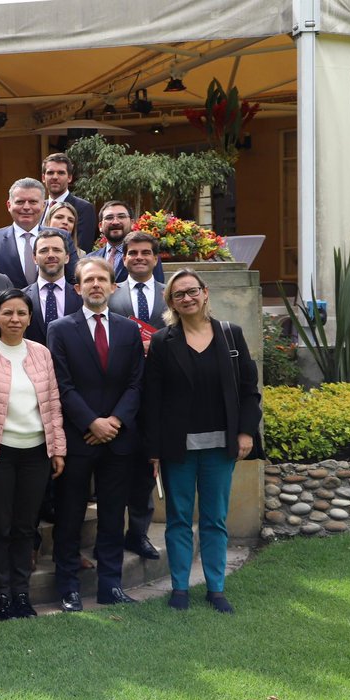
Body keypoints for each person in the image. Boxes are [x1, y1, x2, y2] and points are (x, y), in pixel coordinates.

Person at [144, 269, 262, 614]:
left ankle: (216, 588)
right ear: (172, 303)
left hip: (219, 447)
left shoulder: (230, 335)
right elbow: (152, 398)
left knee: (214, 518)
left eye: (192, 291)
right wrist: (152, 451)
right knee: (179, 518)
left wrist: (244, 432)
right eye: (179, 295)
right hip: (176, 447)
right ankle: (179, 588)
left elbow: (249, 391)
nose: (187, 298)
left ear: (205, 293)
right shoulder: (164, 342)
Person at [46, 258, 144, 612]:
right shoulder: (60, 328)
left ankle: (110, 585)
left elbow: (136, 383)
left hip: (118, 440)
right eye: (89, 280)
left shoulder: (129, 330)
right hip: (77, 438)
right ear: (78, 288)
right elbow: (61, 384)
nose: (96, 285)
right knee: (70, 515)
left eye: (103, 279)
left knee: (113, 514)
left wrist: (114, 422)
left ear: (113, 286)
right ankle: (69, 587)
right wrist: (92, 423)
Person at [0, 289, 67, 620]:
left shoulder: (41, 353)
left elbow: (53, 403)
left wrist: (57, 449)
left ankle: (21, 593)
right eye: (8, 313)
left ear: (30, 318)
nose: (15, 319)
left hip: (35, 453)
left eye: (22, 313)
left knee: (25, 527)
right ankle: (1, 594)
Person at [109, 231, 166, 561]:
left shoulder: (168, 294)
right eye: (133, 253)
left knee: (148, 468)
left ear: (155, 258)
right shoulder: (112, 295)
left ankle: (139, 533)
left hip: (157, 393)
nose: (139, 257)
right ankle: (113, 532)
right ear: (124, 258)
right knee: (116, 470)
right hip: (118, 393)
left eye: (146, 252)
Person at [0, 178, 79, 289]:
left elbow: (74, 279)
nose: (26, 207)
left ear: (43, 206)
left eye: (33, 202)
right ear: (9, 205)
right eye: (20, 202)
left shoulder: (62, 237)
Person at [23, 230, 83, 345]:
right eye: (44, 250)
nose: (51, 255)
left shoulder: (81, 297)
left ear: (67, 257)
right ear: (34, 258)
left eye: (57, 250)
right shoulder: (22, 298)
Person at [88, 201, 166, 283]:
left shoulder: (147, 256)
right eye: (109, 218)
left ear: (132, 223)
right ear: (100, 226)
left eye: (121, 217)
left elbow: (156, 289)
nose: (115, 222)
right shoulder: (90, 259)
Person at [39, 153, 98, 253]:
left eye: (61, 173)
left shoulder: (84, 208)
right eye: (50, 173)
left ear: (69, 178)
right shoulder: (39, 207)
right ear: (43, 178)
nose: (55, 177)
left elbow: (82, 249)